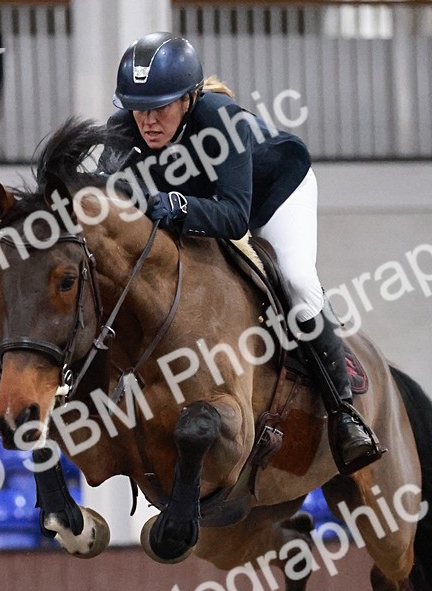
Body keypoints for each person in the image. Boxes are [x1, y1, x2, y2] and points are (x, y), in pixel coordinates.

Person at [98, 31, 382, 476]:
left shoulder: (220, 119)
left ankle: (344, 412)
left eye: (160, 108)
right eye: (138, 109)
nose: (147, 121)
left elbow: (234, 218)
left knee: (297, 278)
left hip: (272, 195)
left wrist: (178, 204)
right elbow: (104, 202)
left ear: (189, 99)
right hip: (208, 203)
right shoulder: (125, 130)